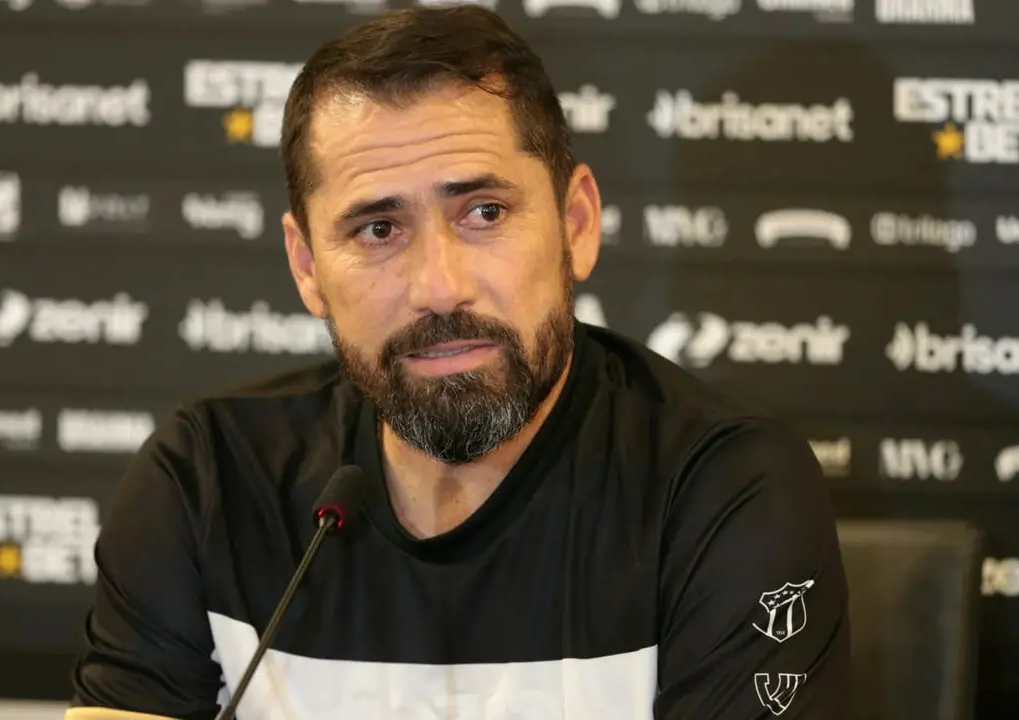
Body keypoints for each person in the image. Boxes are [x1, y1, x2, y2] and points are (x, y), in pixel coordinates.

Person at [65, 6, 849, 719]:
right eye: (379, 230)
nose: (439, 287)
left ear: (576, 225)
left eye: (484, 213)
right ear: (306, 266)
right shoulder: (206, 480)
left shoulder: (720, 486)